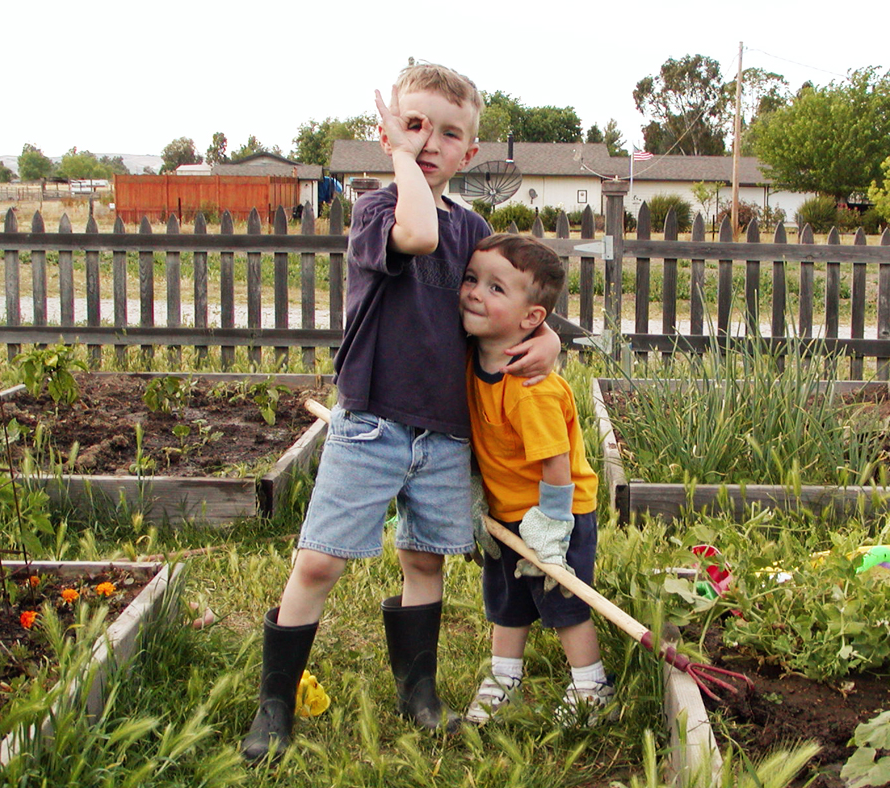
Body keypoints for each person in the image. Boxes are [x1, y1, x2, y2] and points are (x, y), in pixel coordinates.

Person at [241, 62, 561, 763]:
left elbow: (507, 299)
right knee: (320, 562)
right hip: (372, 420)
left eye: (448, 134)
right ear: (388, 133)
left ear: (469, 153)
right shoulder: (377, 210)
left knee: (424, 558)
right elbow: (416, 233)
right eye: (413, 126)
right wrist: (398, 157)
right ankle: (275, 701)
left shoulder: (472, 227)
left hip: (445, 429)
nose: (427, 142)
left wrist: (550, 337)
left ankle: (418, 690)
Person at [460, 233, 615, 726]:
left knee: (564, 603)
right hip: (507, 514)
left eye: (495, 288)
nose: (474, 292)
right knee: (506, 600)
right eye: (471, 279)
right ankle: (504, 678)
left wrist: (551, 531)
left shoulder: (530, 389)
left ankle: (592, 687)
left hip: (557, 514)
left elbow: (555, 465)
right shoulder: (469, 360)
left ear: (532, 319)